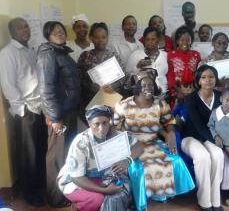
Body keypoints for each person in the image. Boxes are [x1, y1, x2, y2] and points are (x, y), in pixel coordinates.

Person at [113, 71, 195, 211]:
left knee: (174, 160)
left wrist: (170, 134)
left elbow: (169, 122)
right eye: (143, 85)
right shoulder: (124, 105)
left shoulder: (160, 103)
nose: (148, 88)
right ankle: (141, 199)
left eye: (150, 85)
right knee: (138, 167)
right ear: (137, 87)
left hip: (153, 141)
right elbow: (115, 127)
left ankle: (161, 193)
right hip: (132, 144)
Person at [57, 105, 144, 211]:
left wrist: (128, 160)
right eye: (96, 124)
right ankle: (78, 207)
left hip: (101, 178)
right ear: (89, 123)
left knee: (123, 189)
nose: (101, 128)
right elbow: (77, 178)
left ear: (109, 122)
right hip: (75, 181)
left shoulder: (115, 135)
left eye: (105, 123)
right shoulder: (81, 143)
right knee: (96, 199)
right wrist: (105, 191)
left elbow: (139, 145)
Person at [0, 17, 47, 206]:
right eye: (20, 27)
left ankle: (39, 186)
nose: (25, 29)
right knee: (28, 154)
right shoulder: (7, 53)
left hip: (39, 108)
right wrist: (21, 110)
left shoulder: (29, 50)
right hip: (26, 111)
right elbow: (8, 85)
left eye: (26, 26)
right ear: (12, 31)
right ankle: (29, 193)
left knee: (39, 150)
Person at [37, 21, 81, 207]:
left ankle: (66, 191)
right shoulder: (47, 54)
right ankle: (55, 197)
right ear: (48, 36)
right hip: (59, 114)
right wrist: (55, 118)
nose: (59, 34)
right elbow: (46, 88)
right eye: (54, 32)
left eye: (61, 31)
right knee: (56, 156)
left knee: (66, 154)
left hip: (69, 111)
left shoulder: (62, 52)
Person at [181, 65, 224, 211]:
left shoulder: (221, 97)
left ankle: (216, 200)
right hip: (190, 138)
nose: (208, 80)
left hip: (210, 137)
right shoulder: (190, 99)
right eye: (204, 77)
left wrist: (218, 139)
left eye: (211, 77)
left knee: (218, 155)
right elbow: (198, 125)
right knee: (203, 157)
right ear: (198, 80)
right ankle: (204, 201)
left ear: (216, 79)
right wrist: (215, 139)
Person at [78, 22, 130, 123]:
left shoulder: (114, 56)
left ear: (107, 38)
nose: (100, 40)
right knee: (97, 128)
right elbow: (78, 78)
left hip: (111, 100)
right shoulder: (85, 56)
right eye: (97, 37)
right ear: (91, 38)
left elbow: (123, 77)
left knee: (112, 127)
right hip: (92, 101)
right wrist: (90, 86)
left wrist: (113, 86)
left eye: (103, 37)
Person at [167, 26, 201, 109]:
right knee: (178, 117)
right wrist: (178, 91)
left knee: (192, 113)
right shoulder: (171, 54)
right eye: (182, 40)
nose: (185, 42)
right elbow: (170, 74)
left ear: (191, 41)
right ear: (177, 41)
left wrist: (194, 89)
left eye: (188, 40)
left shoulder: (196, 54)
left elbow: (198, 73)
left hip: (193, 90)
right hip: (177, 92)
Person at [127, 27, 168, 93]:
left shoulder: (166, 56)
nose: (150, 42)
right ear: (144, 40)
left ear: (158, 40)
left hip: (162, 95)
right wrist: (138, 66)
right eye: (147, 39)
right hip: (141, 96)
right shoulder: (136, 55)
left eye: (153, 39)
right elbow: (127, 75)